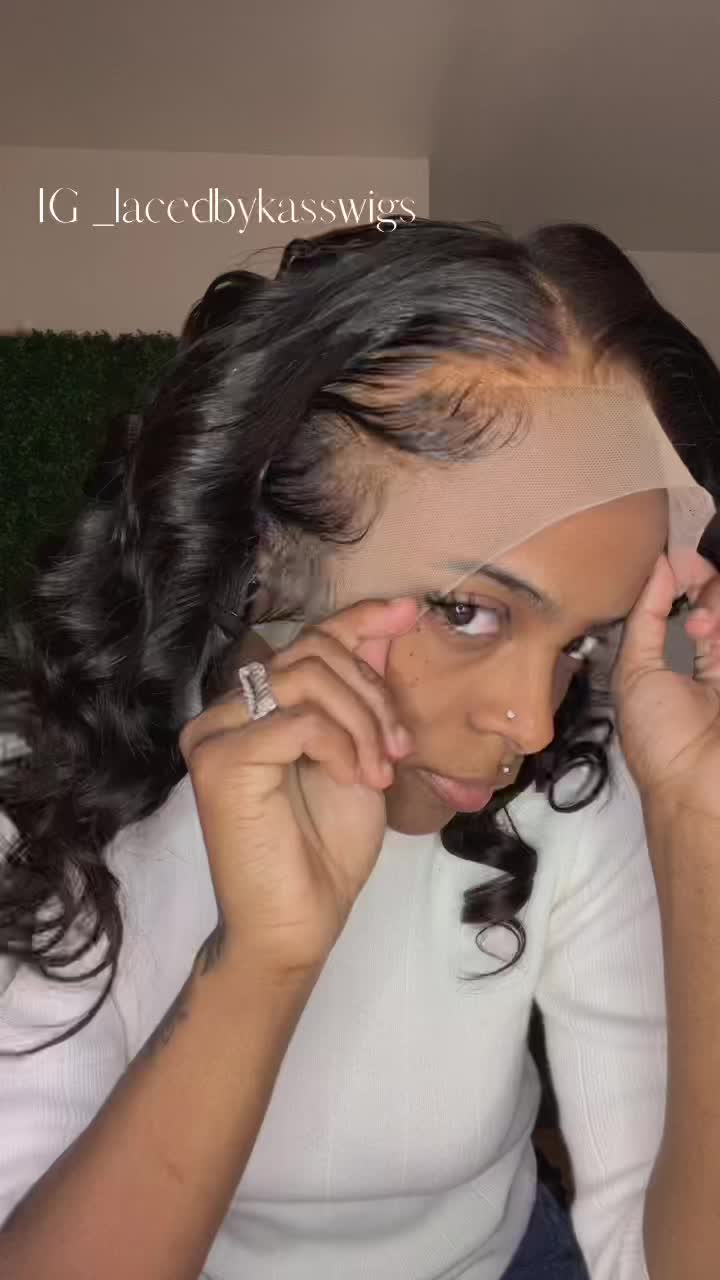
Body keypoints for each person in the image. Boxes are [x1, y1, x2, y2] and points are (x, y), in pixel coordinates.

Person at [1, 218, 720, 1280]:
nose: (531, 723)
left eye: (581, 640)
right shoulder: (45, 788)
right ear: (259, 550)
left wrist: (699, 833)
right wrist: (260, 963)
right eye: (467, 610)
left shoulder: (578, 777)